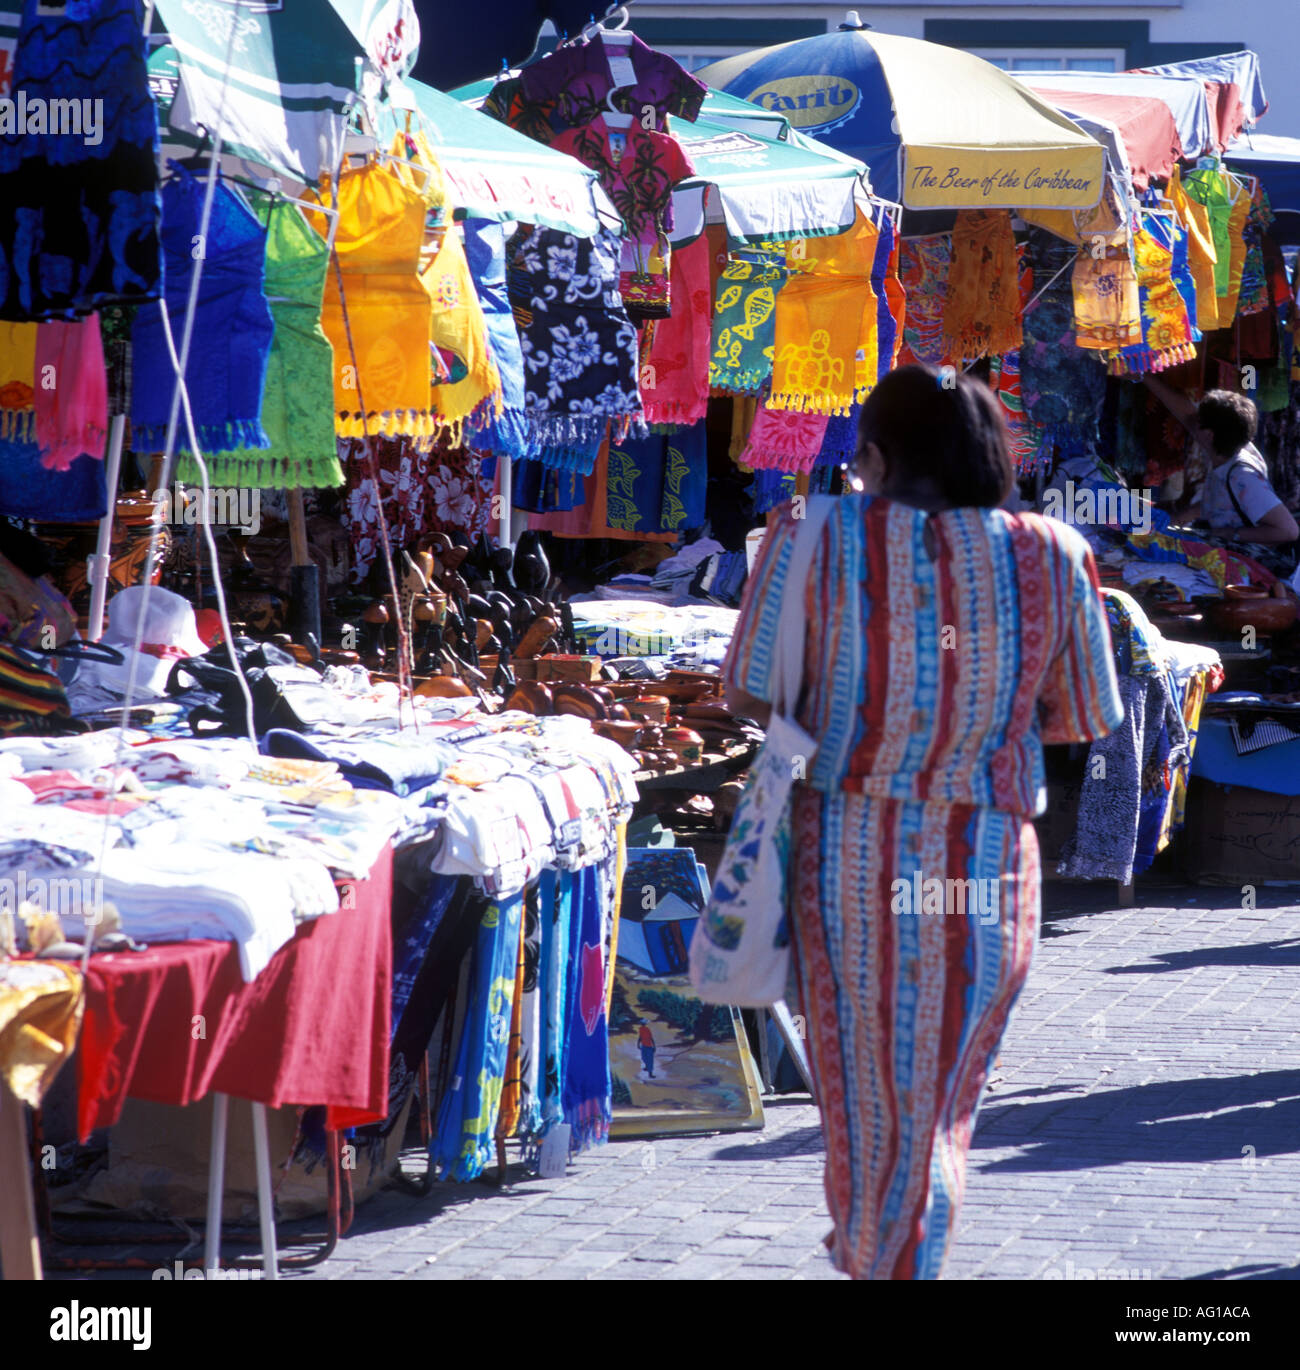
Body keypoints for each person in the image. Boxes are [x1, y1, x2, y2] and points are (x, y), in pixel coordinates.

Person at [722, 364, 1124, 1280]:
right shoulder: (1054, 553)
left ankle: (886, 1260)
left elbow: (748, 686)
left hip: (849, 855)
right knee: (939, 1100)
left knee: (865, 1099)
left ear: (874, 451)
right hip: (984, 858)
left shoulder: (810, 537)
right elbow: (1080, 715)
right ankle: (887, 1256)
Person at [1143, 377, 1299, 572]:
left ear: (1209, 434)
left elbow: (1289, 530)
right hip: (1224, 555)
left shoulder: (1243, 477)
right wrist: (1144, 377)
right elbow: (1187, 414)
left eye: (1199, 422)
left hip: (1245, 568)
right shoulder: (1229, 445)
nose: (1193, 424)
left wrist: (1229, 533)